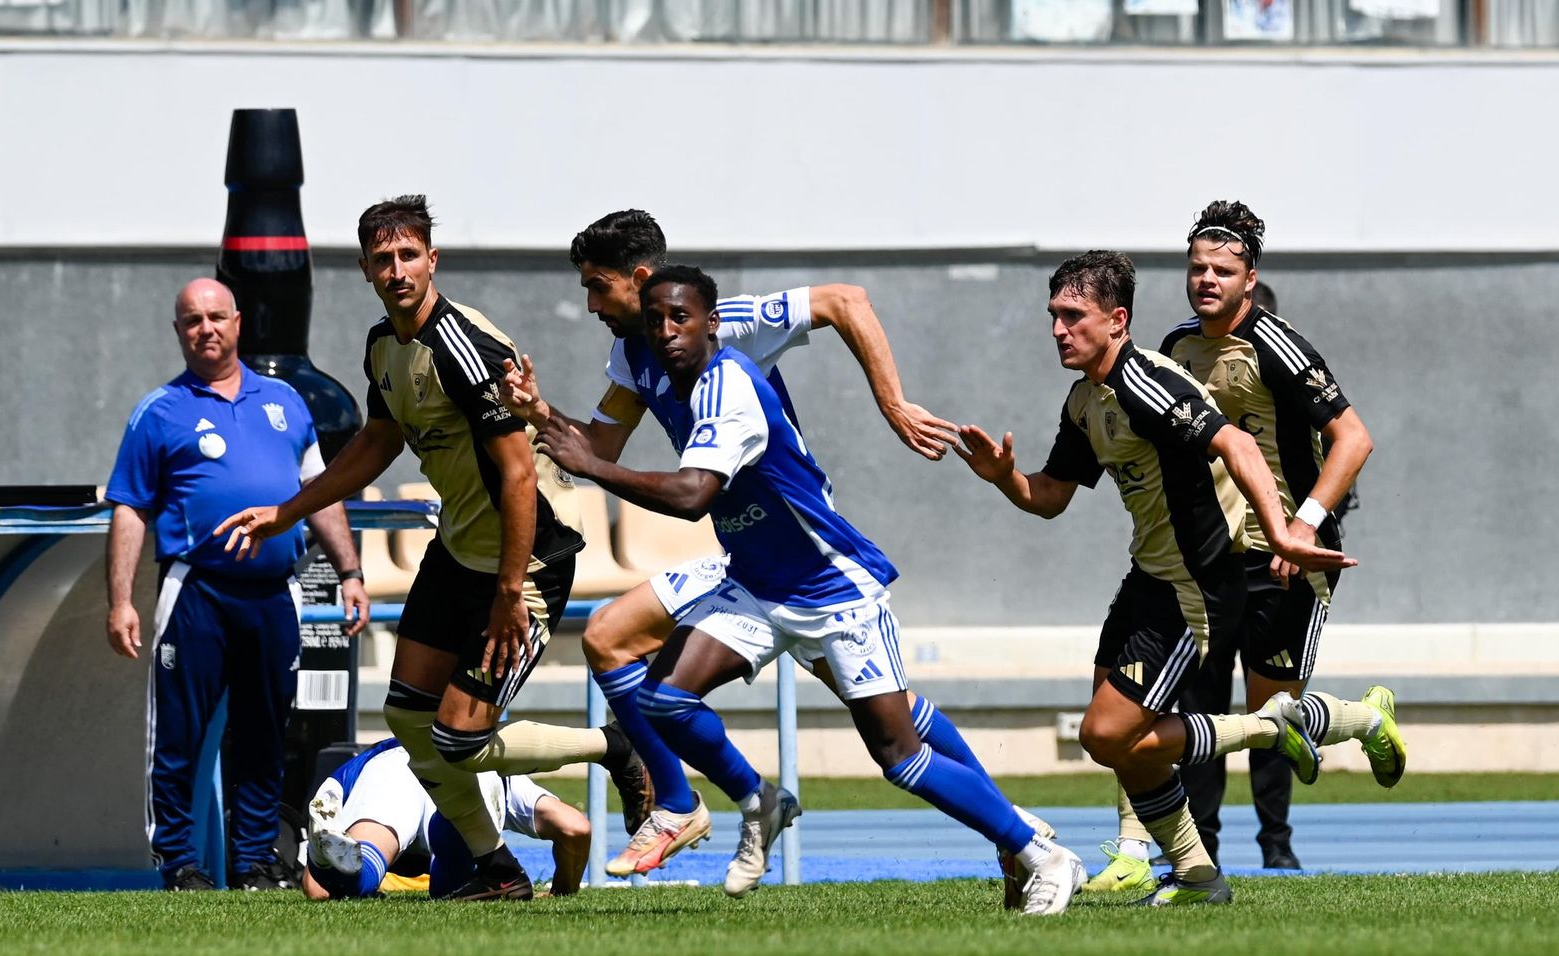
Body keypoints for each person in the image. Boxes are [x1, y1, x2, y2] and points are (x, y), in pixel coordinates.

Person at [500, 209, 1035, 892]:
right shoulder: (633, 355)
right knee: (609, 638)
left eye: (597, 287)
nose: (590, 305)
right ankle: (680, 802)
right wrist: (539, 413)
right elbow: (599, 449)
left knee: (891, 721)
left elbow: (846, 300)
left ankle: (1013, 831)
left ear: (641, 278)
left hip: (802, 554)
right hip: (745, 560)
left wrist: (894, 403)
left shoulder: (725, 325)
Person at [214, 196, 651, 902]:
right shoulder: (382, 346)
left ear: (432, 260)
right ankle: (497, 871)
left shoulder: (466, 347)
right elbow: (377, 442)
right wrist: (288, 512)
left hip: (527, 559)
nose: (397, 270)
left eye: (408, 255)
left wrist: (509, 593)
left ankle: (614, 746)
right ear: (365, 269)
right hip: (458, 551)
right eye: (382, 259)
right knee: (408, 718)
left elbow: (518, 474)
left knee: (458, 736)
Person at [954, 251, 1356, 905]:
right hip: (1147, 579)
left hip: (1194, 589)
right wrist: (1005, 478)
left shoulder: (1147, 381)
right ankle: (1197, 875)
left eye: (1074, 316)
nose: (1058, 329)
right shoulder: (1085, 398)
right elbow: (1052, 495)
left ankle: (1268, 728)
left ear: (1117, 320)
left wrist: (1286, 532)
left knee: (1106, 733)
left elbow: (1239, 444)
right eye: (1054, 315)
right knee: (1121, 744)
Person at [1092, 202, 1396, 884]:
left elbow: (1354, 438)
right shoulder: (1173, 347)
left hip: (1289, 559)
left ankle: (1364, 721)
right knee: (1177, 708)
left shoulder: (1277, 345)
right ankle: (1172, 860)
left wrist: (1303, 525)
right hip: (1209, 559)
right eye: (1197, 268)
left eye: (1222, 271)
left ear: (1249, 279)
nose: (1207, 279)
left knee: (1272, 718)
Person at [105, 278, 370, 892]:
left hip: (275, 592)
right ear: (178, 331)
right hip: (197, 592)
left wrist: (351, 573)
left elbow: (319, 492)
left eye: (216, 317)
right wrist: (120, 601)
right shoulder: (159, 411)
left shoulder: (285, 401)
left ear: (238, 323)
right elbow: (130, 508)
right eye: (192, 320)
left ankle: (254, 861)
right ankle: (178, 862)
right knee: (179, 734)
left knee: (264, 733)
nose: (206, 328)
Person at [302, 739, 591, 900]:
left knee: (350, 877)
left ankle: (325, 858)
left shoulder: (378, 758)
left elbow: (315, 889)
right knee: (452, 889)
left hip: (394, 773)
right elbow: (575, 828)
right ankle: (457, 841)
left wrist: (317, 868)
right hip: (474, 772)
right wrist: (561, 892)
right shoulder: (496, 766)